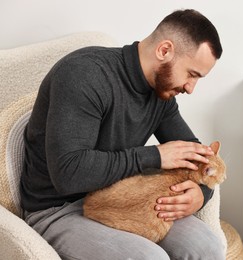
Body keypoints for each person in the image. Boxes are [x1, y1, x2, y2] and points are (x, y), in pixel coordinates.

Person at [20, 9, 224, 260]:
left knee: (208, 248)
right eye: (191, 74)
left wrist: (200, 195)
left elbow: (197, 154)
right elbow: (68, 174)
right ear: (164, 51)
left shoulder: (161, 93)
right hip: (58, 210)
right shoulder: (83, 75)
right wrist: (154, 157)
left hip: (125, 196)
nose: (191, 88)